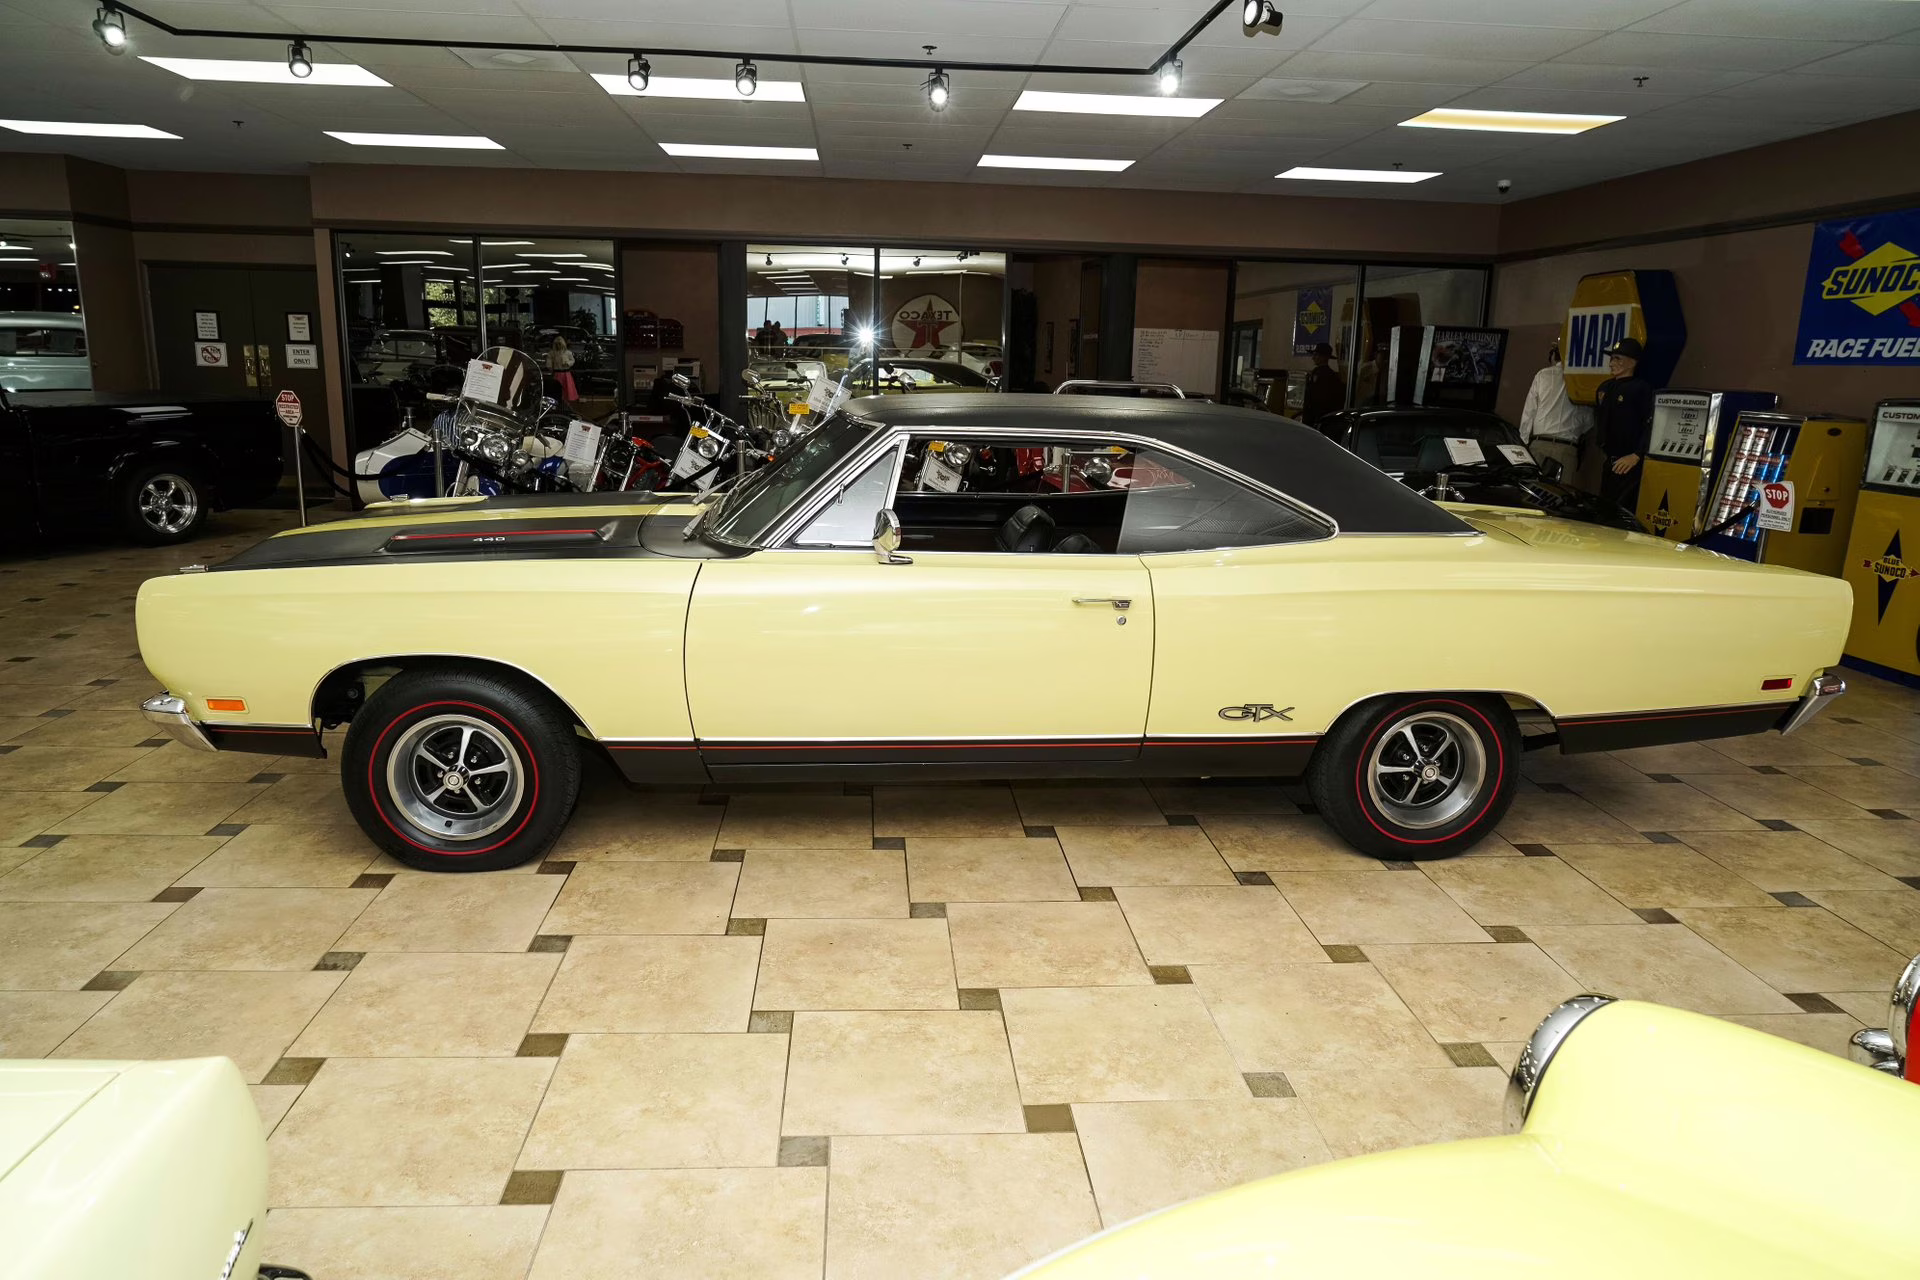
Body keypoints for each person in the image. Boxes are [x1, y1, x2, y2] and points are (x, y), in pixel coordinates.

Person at [1517, 343, 1594, 490]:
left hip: (1539, 445)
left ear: (1554, 356)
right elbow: (1589, 421)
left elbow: (1529, 412)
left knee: (1532, 492)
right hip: (1567, 448)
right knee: (1561, 496)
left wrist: (1523, 443)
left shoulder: (1543, 375)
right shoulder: (1582, 381)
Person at [1594, 336, 1655, 510]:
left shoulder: (1641, 388)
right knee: (1605, 510)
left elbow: (1650, 424)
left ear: (1632, 363)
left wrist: (1637, 455)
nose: (1612, 363)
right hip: (1609, 462)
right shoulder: (1604, 388)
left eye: (1617, 359)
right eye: (1611, 358)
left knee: (1623, 512)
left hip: (1630, 465)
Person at [1300, 342, 1344, 426]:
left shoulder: (1320, 374)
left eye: (1316, 355)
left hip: (1316, 420)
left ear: (1324, 357)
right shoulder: (1332, 375)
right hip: (1323, 420)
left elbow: (1316, 400)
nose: (1313, 358)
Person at [545, 334, 577, 404]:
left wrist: (568, 363)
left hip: (566, 374)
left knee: (567, 389)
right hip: (557, 373)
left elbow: (572, 360)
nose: (558, 345)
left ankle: (566, 402)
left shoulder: (568, 352)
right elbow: (549, 361)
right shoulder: (552, 353)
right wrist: (550, 366)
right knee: (557, 389)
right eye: (557, 344)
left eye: (560, 344)